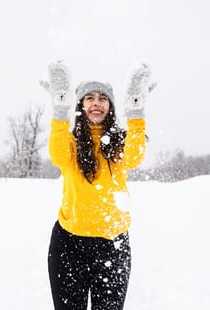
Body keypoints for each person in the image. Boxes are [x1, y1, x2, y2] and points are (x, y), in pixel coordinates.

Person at [40, 60, 155, 310]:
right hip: (69, 246)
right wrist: (60, 109)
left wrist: (135, 111)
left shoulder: (119, 143)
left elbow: (135, 157)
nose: (96, 102)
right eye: (89, 97)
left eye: (103, 98)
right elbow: (57, 156)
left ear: (111, 106)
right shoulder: (70, 142)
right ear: (80, 104)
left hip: (113, 246)